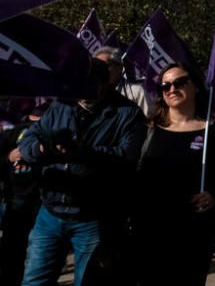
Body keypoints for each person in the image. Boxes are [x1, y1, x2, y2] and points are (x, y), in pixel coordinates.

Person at [18, 57, 146, 286]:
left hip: (92, 217)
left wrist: (81, 153)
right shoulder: (61, 106)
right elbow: (28, 141)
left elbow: (127, 157)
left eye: (89, 82)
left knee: (89, 280)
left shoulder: (127, 113)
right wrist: (43, 149)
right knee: (34, 280)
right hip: (50, 213)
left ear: (105, 83)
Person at [131, 63, 215, 285]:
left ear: (195, 87)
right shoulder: (147, 129)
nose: (172, 89)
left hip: (196, 232)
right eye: (166, 86)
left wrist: (214, 193)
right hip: (151, 229)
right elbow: (130, 173)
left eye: (180, 82)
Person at [0, 105, 44, 286]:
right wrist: (8, 158)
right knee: (13, 250)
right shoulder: (12, 134)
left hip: (44, 201)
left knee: (41, 253)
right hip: (18, 199)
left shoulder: (52, 133)